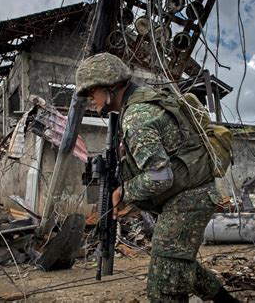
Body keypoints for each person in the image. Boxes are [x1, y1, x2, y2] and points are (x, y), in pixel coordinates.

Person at [75, 52, 237, 302]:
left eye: (91, 92)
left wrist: (125, 193)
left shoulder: (137, 116)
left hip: (188, 199)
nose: (90, 101)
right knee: (176, 264)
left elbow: (160, 177)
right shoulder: (142, 103)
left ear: (110, 85)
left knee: (164, 287)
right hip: (189, 195)